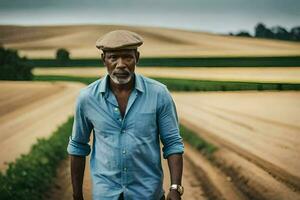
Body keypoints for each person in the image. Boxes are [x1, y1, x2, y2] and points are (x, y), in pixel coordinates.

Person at [67, 30, 184, 200]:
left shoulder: (159, 94)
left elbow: (173, 143)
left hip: (148, 194)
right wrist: (77, 195)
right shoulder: (87, 98)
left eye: (127, 57)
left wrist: (175, 187)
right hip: (105, 195)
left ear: (137, 57)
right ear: (104, 60)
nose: (120, 64)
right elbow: (78, 147)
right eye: (113, 57)